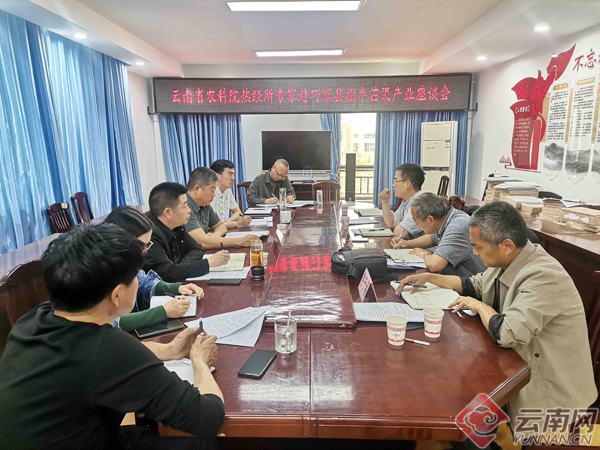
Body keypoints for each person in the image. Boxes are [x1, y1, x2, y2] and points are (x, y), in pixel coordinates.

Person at [0, 224, 224, 450]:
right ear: (117, 295)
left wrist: (168, 350)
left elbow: (93, 363)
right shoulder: (108, 348)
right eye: (135, 277)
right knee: (205, 445)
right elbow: (209, 418)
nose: (138, 282)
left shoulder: (34, 319)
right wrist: (200, 362)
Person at [396, 202, 597, 434]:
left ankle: (474, 439)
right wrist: (429, 278)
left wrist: (479, 306)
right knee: (455, 394)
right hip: (516, 367)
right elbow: (472, 285)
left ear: (507, 245)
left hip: (549, 398)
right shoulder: (509, 259)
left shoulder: (544, 276)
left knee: (462, 411)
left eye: (478, 247)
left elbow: (506, 333)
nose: (474, 253)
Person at [104, 205, 204, 332]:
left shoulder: (125, 261)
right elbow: (109, 323)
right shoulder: (98, 272)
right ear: (121, 243)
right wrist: (164, 312)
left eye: (148, 244)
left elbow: (144, 282)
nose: (146, 251)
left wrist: (177, 288)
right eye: (142, 246)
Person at [144, 182, 230, 282]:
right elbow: (167, 273)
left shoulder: (177, 225)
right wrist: (208, 263)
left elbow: (197, 249)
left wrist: (180, 268)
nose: (189, 210)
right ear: (168, 212)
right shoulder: (148, 235)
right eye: (184, 206)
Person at [392, 192, 486, 277]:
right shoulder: (447, 218)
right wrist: (406, 244)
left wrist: (424, 254)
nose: (416, 225)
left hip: (472, 285)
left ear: (430, 220)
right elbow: (431, 238)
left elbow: (434, 265)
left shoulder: (457, 227)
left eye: (416, 221)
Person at [186, 167, 261, 249]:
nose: (214, 195)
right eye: (212, 190)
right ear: (197, 189)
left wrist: (215, 236)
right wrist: (240, 241)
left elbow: (221, 226)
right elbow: (203, 242)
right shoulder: (184, 207)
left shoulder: (204, 204)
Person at [379, 163, 425, 239]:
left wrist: (398, 224)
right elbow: (391, 223)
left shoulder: (420, 203)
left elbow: (399, 233)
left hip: (419, 246)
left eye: (396, 180)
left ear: (407, 183)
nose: (393, 185)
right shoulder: (407, 201)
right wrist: (385, 202)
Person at [210, 159, 252, 227]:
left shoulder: (227, 190)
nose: (233, 178)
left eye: (233, 174)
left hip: (225, 229)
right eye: (230, 174)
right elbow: (211, 226)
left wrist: (228, 221)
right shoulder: (210, 193)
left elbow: (238, 212)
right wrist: (237, 223)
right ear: (217, 176)